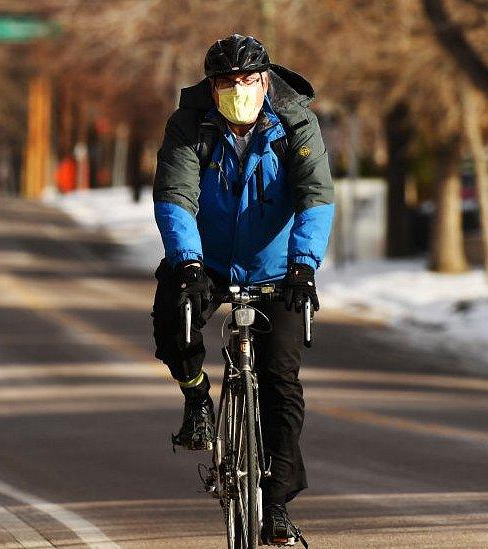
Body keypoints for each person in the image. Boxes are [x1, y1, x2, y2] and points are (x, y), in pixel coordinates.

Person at [152, 34, 334, 546]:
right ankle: (196, 402)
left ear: (265, 79)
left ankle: (275, 505)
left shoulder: (295, 122)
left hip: (277, 269)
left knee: (281, 381)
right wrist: (186, 262)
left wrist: (304, 266)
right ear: (210, 88)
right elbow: (175, 195)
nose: (238, 90)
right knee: (174, 314)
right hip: (205, 259)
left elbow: (316, 196)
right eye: (226, 82)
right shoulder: (188, 125)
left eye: (247, 80)